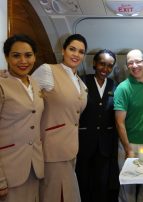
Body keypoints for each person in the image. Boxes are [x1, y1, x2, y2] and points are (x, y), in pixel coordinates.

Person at [32, 34, 88, 202]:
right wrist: (7, 77)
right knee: (55, 195)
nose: (76, 54)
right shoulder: (48, 70)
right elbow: (26, 90)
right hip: (51, 147)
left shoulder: (81, 84)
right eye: (72, 49)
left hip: (71, 149)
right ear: (63, 50)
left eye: (81, 51)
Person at [0, 34, 44, 202]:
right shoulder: (2, 84)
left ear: (35, 56)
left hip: (34, 165)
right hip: (9, 168)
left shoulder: (34, 83)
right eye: (16, 56)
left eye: (28, 55)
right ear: (6, 57)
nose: (23, 61)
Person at [75, 49, 119, 202]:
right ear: (94, 63)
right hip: (84, 141)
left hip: (106, 144)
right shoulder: (81, 81)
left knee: (102, 184)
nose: (105, 69)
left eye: (109, 66)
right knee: (83, 182)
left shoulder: (114, 85)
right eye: (102, 64)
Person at [114, 49, 143, 202]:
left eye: (138, 61)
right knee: (128, 189)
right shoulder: (123, 88)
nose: (134, 65)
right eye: (130, 62)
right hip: (130, 144)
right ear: (127, 66)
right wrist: (128, 149)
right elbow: (119, 122)